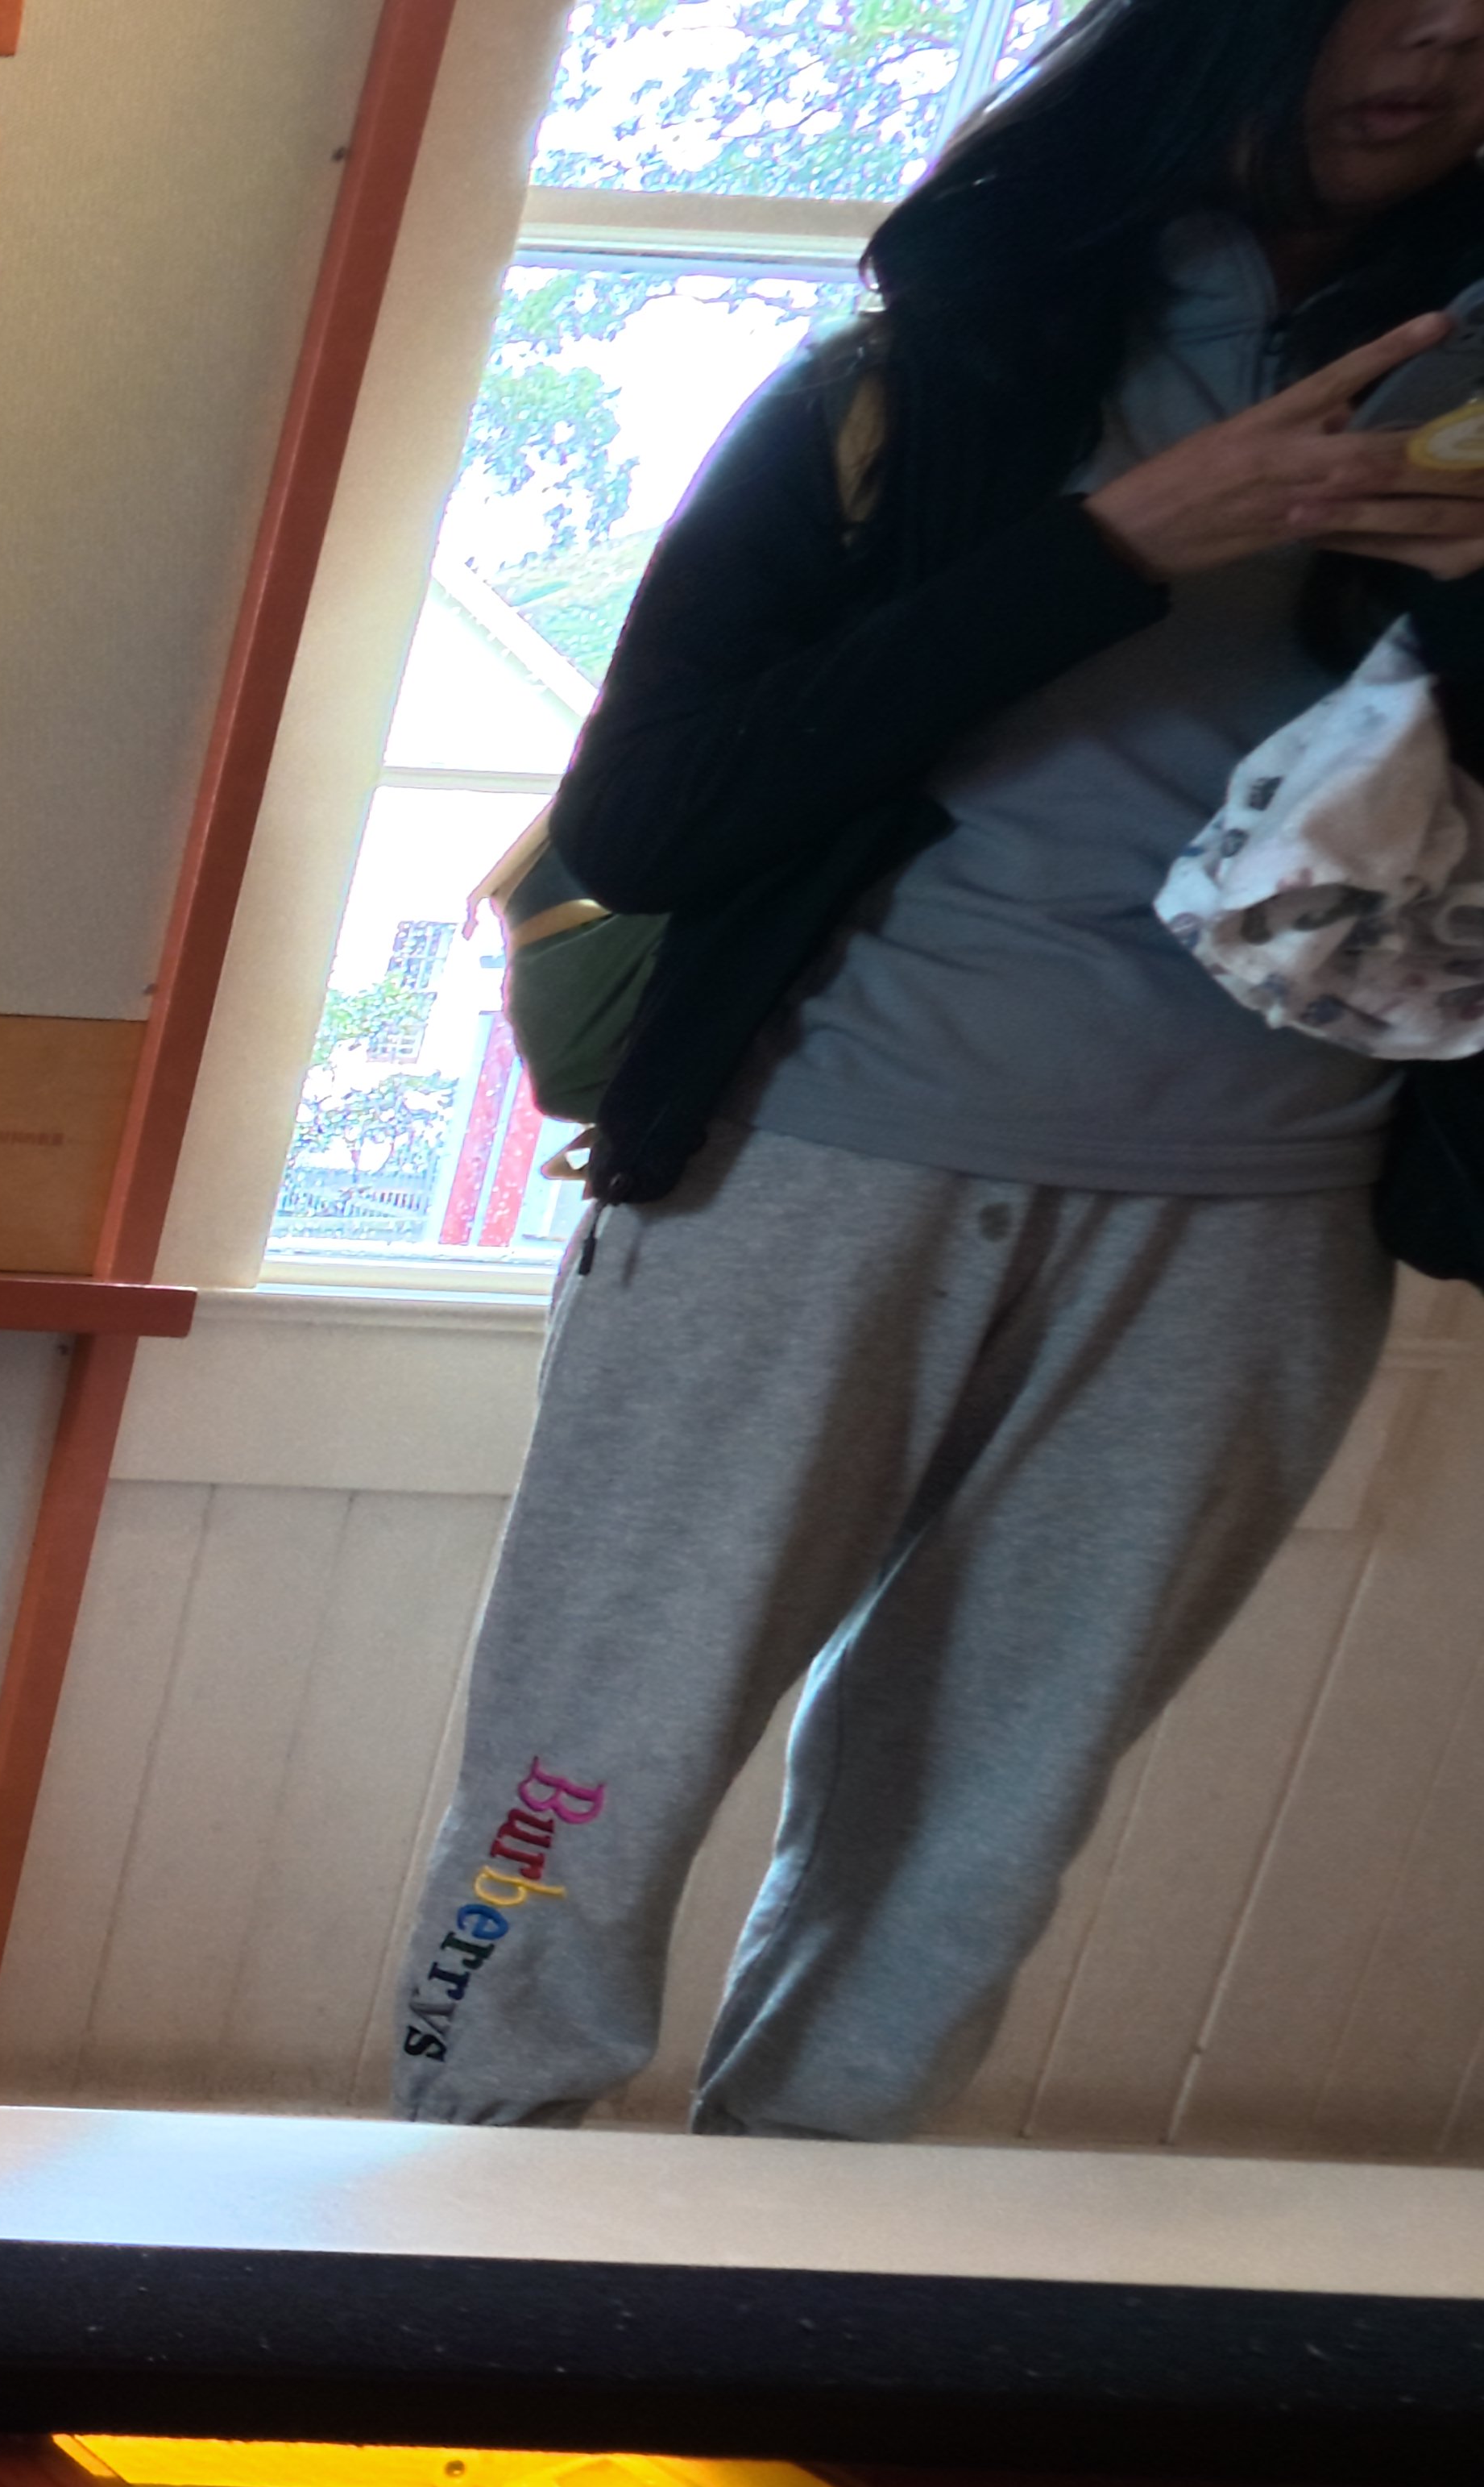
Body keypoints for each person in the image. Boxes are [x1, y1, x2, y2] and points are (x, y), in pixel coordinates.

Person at [397, 0, 1484, 2134]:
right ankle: (459, 2215)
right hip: (810, 1166)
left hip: (1256, 1231)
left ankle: (792, 2279)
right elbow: (652, 821)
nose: (1442, 33)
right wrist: (1116, 544)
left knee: (968, 1845)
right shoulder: (918, 378)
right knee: (571, 1784)